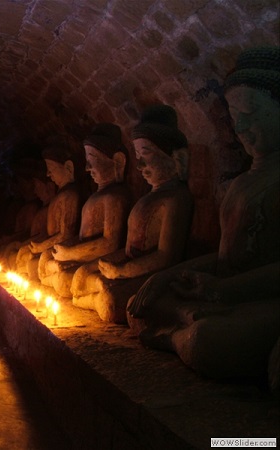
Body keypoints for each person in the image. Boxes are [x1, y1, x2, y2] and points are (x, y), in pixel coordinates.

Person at [127, 46, 280, 388]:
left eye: (251, 112)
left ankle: (174, 337)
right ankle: (184, 320)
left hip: (260, 299)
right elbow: (227, 254)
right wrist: (170, 276)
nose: (240, 125)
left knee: (210, 340)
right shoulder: (243, 182)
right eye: (234, 115)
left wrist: (224, 291)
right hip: (222, 291)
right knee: (139, 305)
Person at [72, 105, 193, 323]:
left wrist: (122, 271)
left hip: (151, 276)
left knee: (111, 300)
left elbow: (167, 256)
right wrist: (104, 265)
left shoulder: (176, 198)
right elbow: (125, 248)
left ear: (178, 159)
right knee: (80, 278)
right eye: (137, 155)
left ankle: (93, 299)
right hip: (128, 271)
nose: (139, 165)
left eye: (146, 154)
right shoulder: (147, 197)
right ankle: (92, 295)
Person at [39, 123, 132, 297]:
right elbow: (79, 237)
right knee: (48, 266)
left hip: (102, 262)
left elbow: (110, 243)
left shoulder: (115, 197)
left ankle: (91, 297)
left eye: (92, 161)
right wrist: (66, 250)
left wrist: (71, 253)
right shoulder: (96, 196)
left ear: (118, 162)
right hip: (84, 258)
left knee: (64, 279)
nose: (87, 169)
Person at [16, 138, 82, 281]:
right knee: (24, 260)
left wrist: (42, 247)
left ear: (68, 168)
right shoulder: (62, 195)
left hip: (61, 250)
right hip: (54, 249)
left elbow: (66, 234)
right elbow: (49, 232)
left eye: (51, 169)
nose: (48, 174)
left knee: (35, 267)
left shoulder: (70, 195)